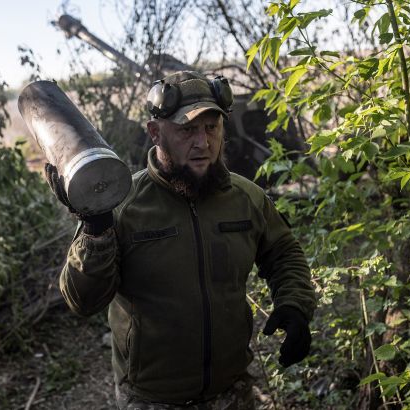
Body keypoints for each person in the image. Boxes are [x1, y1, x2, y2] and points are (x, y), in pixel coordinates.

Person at [47, 71, 316, 409]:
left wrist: (295, 305)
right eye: (187, 130)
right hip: (153, 400)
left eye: (211, 128)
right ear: (155, 133)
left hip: (232, 391)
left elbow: (283, 252)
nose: (203, 142)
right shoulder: (122, 206)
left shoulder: (246, 198)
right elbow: (82, 300)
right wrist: (96, 230)